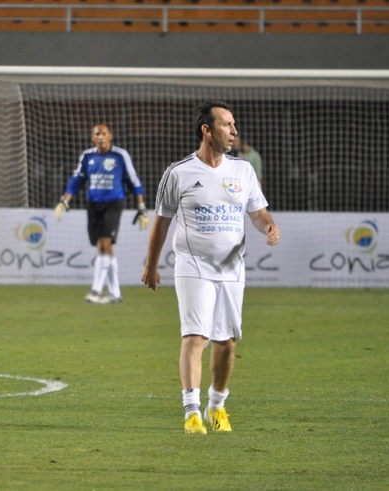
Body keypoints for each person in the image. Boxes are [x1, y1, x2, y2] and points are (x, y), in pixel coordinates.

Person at [141, 101, 280, 434]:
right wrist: (151, 266)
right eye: (227, 125)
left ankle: (216, 406)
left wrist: (270, 226)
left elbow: (257, 213)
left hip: (232, 270)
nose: (234, 131)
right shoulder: (179, 173)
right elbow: (161, 223)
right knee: (195, 337)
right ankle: (191, 411)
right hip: (193, 266)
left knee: (227, 343)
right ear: (207, 130)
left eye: (234, 124)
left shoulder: (242, 171)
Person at [55, 123, 149, 304]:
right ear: (92, 137)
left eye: (103, 134)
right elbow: (77, 180)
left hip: (114, 203)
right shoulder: (87, 156)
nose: (100, 137)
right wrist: (65, 199)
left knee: (105, 242)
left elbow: (133, 180)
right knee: (101, 246)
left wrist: (142, 207)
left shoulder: (120, 156)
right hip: (93, 205)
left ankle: (96, 290)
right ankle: (115, 293)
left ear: (110, 136)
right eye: (97, 134)